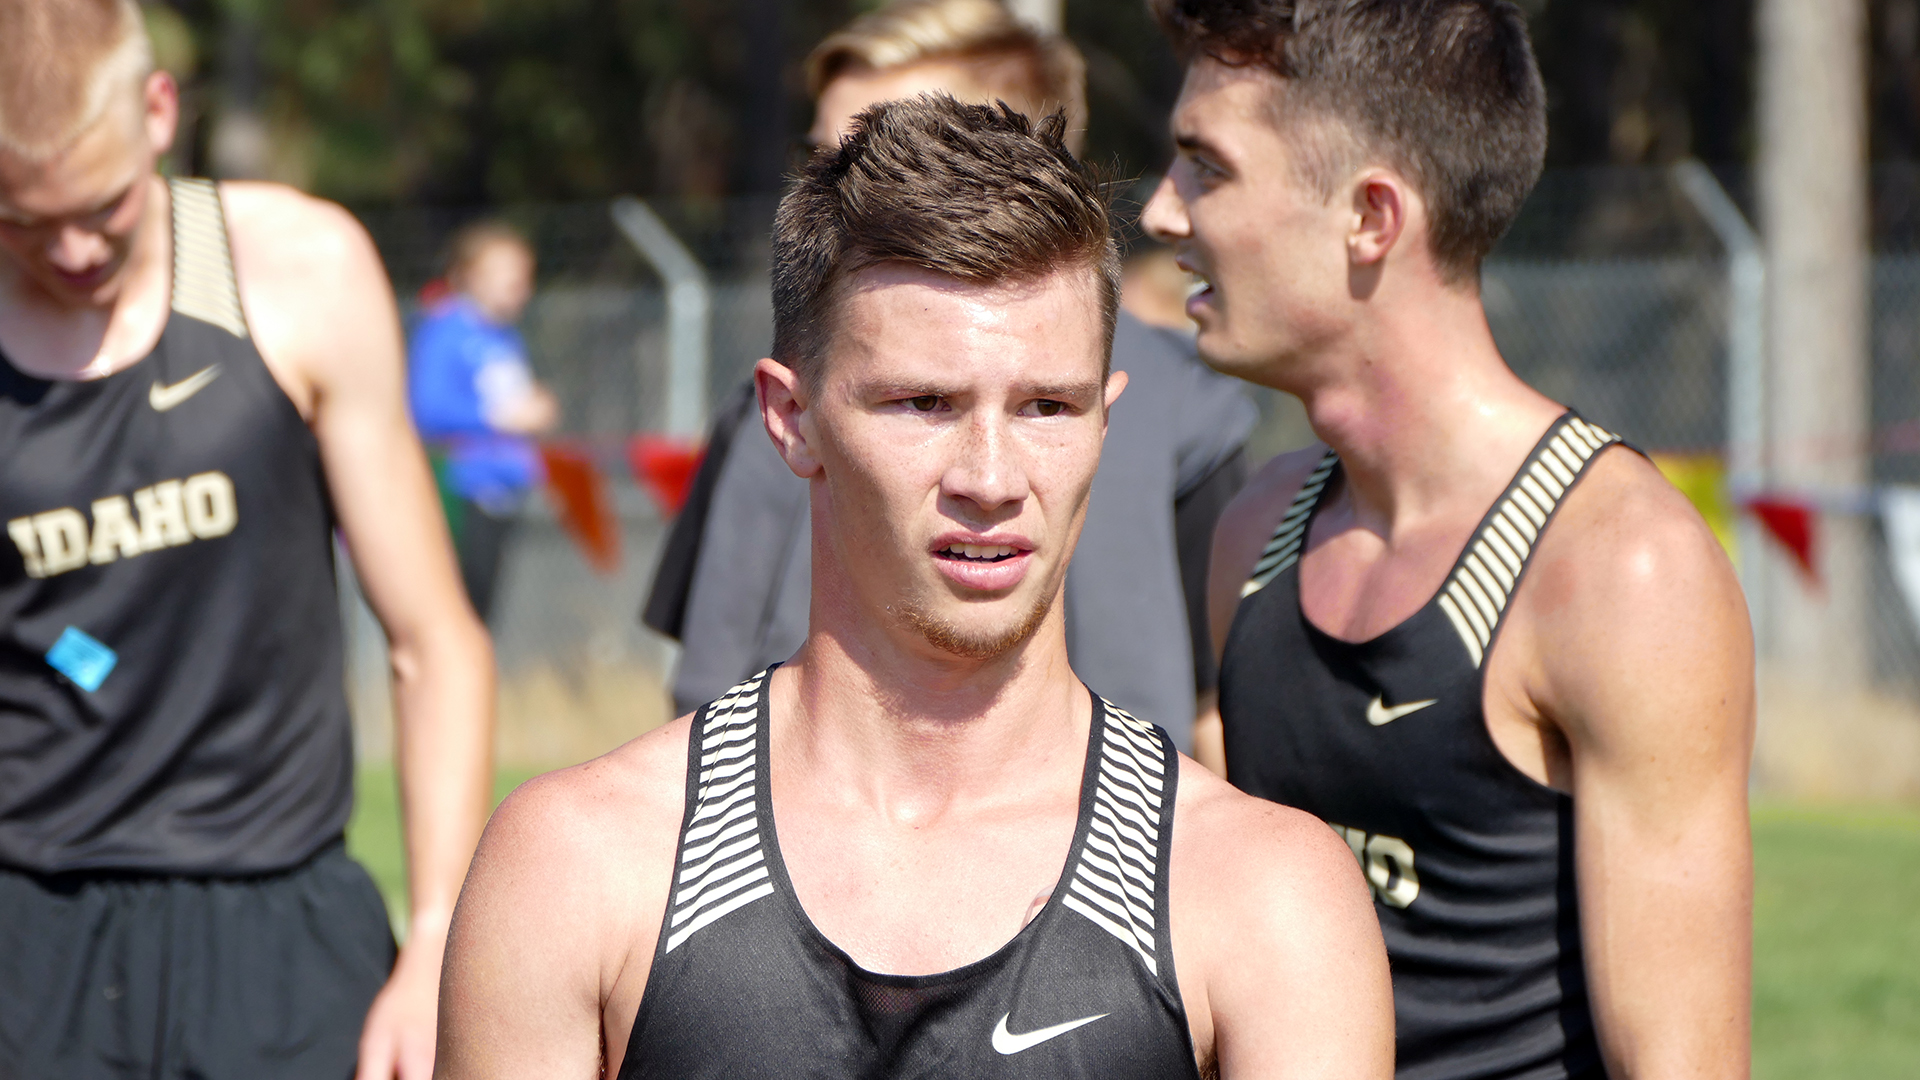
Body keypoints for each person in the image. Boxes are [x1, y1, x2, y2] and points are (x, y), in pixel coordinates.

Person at [437, 94, 1392, 1079]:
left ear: (1107, 423)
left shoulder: (1263, 898)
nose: (990, 477)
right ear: (790, 418)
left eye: (1047, 407)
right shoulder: (580, 867)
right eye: (923, 404)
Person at [1142, 2, 1754, 1078]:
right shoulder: (1256, 535)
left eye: (1208, 167)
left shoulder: (1617, 566)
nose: (1160, 213)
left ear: (1371, 217)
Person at [0, 2, 494, 1077]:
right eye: (22, 221)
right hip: (30, 927)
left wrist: (438, 944)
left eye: (102, 206)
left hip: (279, 921)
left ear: (159, 111)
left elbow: (432, 643)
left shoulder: (297, 268)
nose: (72, 249)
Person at [643, 0, 1256, 748]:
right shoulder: (767, 409)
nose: (847, 190)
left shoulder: (1187, 412)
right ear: (793, 417)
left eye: (901, 146)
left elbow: (1217, 709)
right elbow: (700, 691)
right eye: (823, 157)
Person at [408, 221, 559, 622]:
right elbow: (427, 409)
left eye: (523, 273)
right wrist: (499, 418)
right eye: (504, 271)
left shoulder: (505, 336)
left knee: (484, 616)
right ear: (467, 274)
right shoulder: (445, 331)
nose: (517, 283)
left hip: (501, 490)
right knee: (460, 617)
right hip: (461, 494)